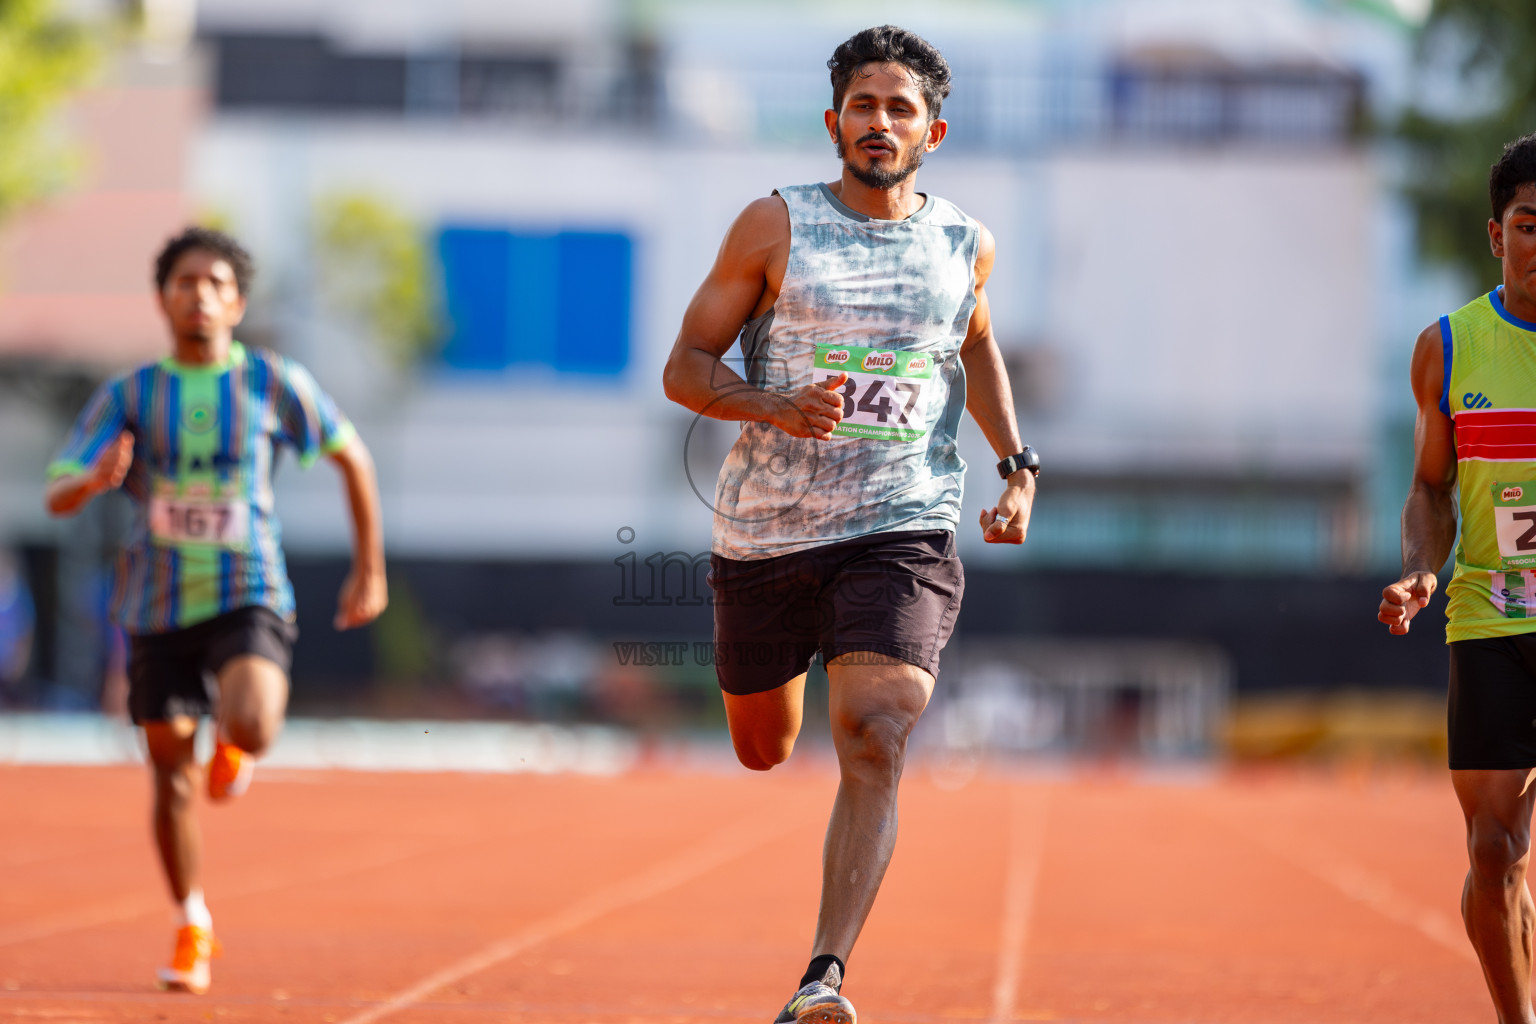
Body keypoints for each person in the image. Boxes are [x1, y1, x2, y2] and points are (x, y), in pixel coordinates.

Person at [663, 26, 1037, 1024]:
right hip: (767, 532)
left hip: (903, 521)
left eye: (900, 108)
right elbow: (685, 367)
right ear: (834, 122)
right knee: (761, 745)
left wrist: (1017, 464)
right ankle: (769, 706)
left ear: (935, 131)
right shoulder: (771, 226)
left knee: (875, 730)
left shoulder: (966, 244)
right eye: (864, 106)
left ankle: (822, 978)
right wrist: (772, 403)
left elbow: (980, 344)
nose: (881, 122)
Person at [44, 227, 387, 995]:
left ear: (236, 300)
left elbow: (351, 455)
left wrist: (370, 567)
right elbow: (56, 491)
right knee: (168, 772)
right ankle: (192, 920)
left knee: (254, 722)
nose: (199, 293)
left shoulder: (273, 382)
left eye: (215, 281)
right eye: (184, 280)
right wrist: (95, 478)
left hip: (248, 588)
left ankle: (237, 743)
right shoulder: (129, 395)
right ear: (162, 297)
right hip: (157, 601)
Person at [1381, 133, 1536, 1023]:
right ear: (1496, 235)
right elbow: (1430, 490)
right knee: (1494, 850)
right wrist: (1419, 574)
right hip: (1491, 620)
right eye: (1528, 224)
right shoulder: (1448, 347)